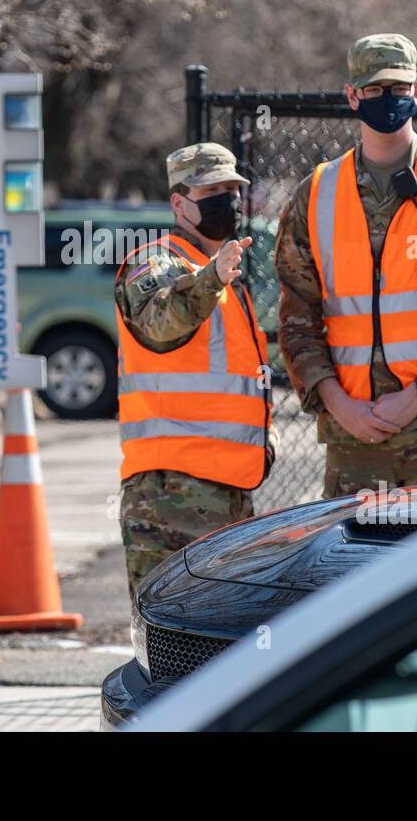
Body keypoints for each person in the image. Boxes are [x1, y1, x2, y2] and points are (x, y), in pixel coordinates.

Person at [275, 33, 417, 499]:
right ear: (352, 95)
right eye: (375, 89)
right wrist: (340, 405)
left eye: (399, 89)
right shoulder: (317, 192)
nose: (388, 99)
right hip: (353, 439)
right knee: (358, 569)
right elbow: (297, 320)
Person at [114, 142, 274, 597]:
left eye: (232, 189)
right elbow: (161, 322)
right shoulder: (155, 261)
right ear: (179, 204)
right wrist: (213, 279)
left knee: (222, 639)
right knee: (169, 641)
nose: (228, 200)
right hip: (169, 496)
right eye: (212, 190)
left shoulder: (220, 271)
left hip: (229, 492)